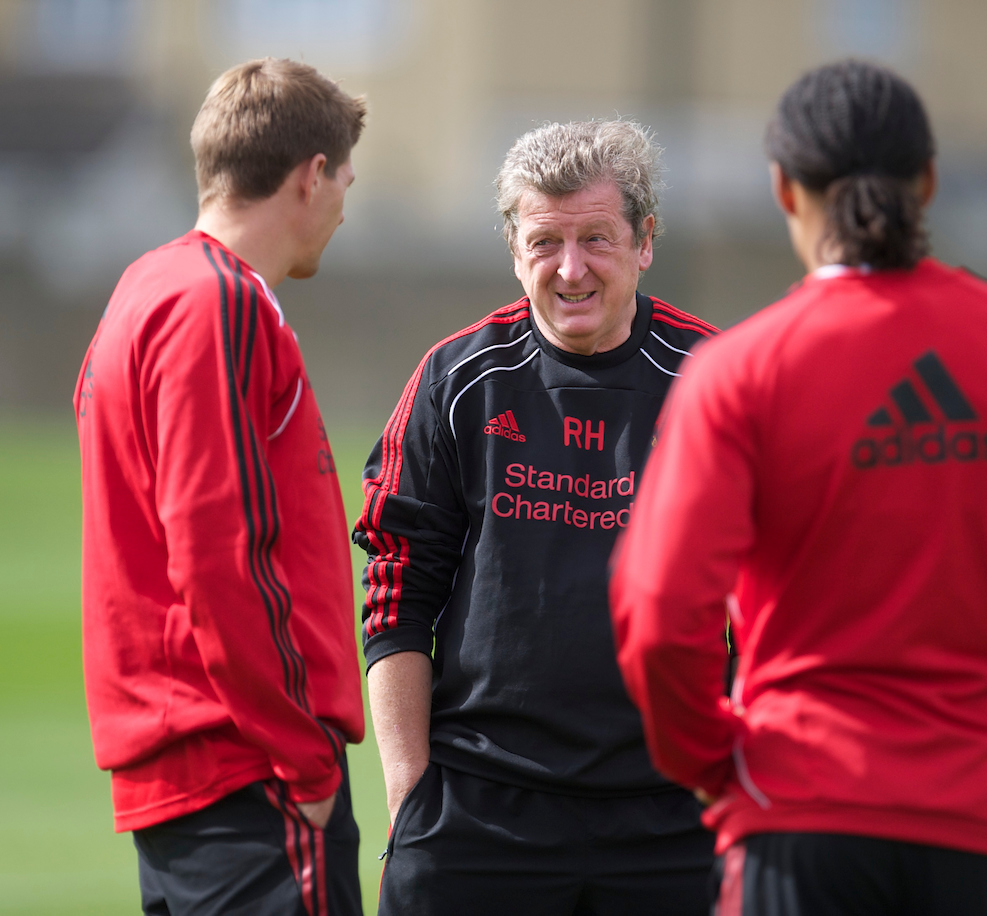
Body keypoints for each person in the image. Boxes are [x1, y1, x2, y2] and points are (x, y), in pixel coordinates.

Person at [609, 60, 987, 916]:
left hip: (795, 822)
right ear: (930, 183)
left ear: (784, 191)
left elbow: (658, 607)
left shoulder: (739, 369)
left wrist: (710, 759)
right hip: (979, 828)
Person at [355, 119, 718, 915]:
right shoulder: (458, 380)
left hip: (674, 816)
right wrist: (410, 797)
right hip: (479, 813)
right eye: (545, 241)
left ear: (645, 240)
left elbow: (777, 598)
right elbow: (395, 592)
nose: (571, 268)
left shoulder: (717, 383)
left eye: (596, 238)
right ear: (514, 246)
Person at [74, 58, 368, 916]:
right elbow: (219, 551)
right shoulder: (218, 303)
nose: (345, 206)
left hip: (187, 774)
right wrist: (304, 755)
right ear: (311, 177)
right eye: (345, 180)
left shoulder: (145, 288)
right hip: (247, 767)